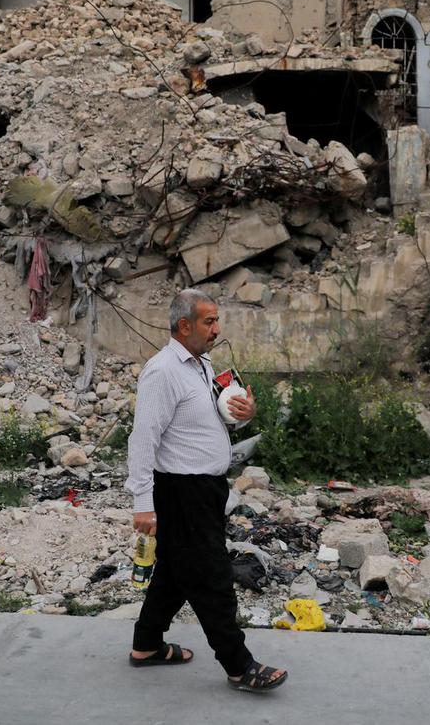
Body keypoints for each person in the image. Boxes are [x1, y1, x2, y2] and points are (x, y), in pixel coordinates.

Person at [124, 288, 288, 692]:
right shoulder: (163, 371)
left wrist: (243, 416)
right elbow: (142, 438)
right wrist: (143, 505)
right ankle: (239, 665)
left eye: (216, 320)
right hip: (181, 492)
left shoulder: (202, 364)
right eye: (209, 321)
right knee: (212, 577)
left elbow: (209, 422)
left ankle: (146, 645)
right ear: (184, 326)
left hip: (206, 488)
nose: (217, 329)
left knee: (175, 573)